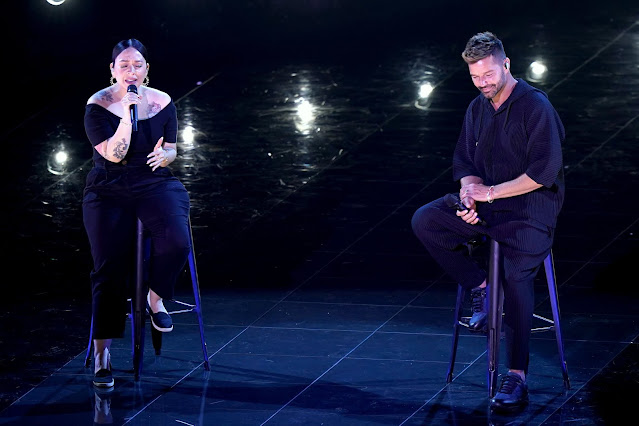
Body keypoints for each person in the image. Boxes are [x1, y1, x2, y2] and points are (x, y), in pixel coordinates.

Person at [411, 31, 565, 412]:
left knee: (516, 272)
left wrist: (490, 193)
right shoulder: (477, 108)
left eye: (489, 75)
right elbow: (465, 163)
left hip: (529, 210)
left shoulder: (535, 106)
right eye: (475, 77)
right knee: (426, 220)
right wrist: (469, 193)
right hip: (488, 205)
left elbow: (543, 173)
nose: (483, 83)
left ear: (506, 65)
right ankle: (482, 287)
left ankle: (517, 376)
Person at [83, 38, 191, 388]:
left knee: (177, 241)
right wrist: (128, 117)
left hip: (152, 181)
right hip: (108, 186)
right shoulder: (98, 105)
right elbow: (114, 155)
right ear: (112, 70)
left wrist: (166, 156)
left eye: (138, 65)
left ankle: (153, 298)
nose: (132, 71)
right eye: (124, 65)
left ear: (147, 69)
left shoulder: (162, 102)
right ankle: (103, 354)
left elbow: (172, 149)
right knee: (108, 266)